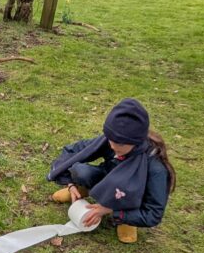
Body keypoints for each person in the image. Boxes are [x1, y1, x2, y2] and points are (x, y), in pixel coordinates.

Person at [47, 98, 175, 243]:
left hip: (131, 197)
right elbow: (72, 152)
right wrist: (70, 184)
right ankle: (83, 190)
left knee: (126, 204)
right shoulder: (113, 140)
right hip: (109, 179)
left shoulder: (155, 168)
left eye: (119, 147)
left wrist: (112, 211)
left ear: (135, 142)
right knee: (80, 171)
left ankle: (127, 220)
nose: (113, 147)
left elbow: (153, 213)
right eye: (110, 142)